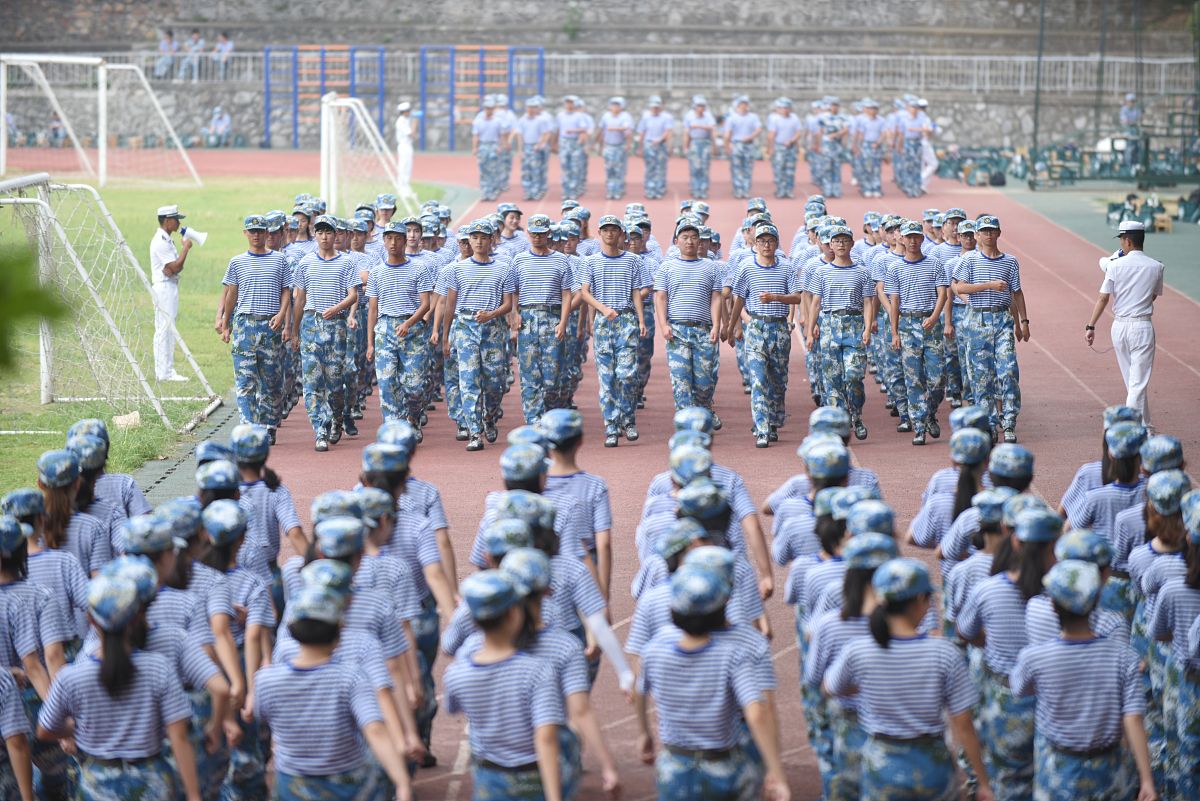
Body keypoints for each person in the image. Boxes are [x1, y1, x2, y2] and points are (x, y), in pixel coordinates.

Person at [826, 558, 994, 801]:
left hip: (882, 762)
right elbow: (963, 722)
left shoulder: (859, 651)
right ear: (919, 599)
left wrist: (867, 686)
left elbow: (830, 687)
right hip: (932, 763)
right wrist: (983, 781)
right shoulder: (944, 653)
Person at [37, 573, 203, 801]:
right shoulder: (158, 667)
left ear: (91, 620)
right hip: (152, 783)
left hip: (97, 786)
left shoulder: (71, 676)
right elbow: (179, 737)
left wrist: (79, 727)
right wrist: (194, 795)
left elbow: (45, 729)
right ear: (135, 617)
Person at [635, 564, 790, 801]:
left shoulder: (654, 649)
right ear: (722, 610)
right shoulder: (732, 654)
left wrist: (644, 733)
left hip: (674, 763)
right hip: (721, 763)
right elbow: (756, 711)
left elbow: (639, 689)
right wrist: (775, 771)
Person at [1012, 559, 1158, 801]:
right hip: (1110, 770)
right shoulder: (1124, 656)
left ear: (1053, 606)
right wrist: (1147, 780)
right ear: (1096, 600)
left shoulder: (1034, 657)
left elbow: (1019, 689)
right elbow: (1133, 717)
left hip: (1059, 770)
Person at [255, 584, 412, 801]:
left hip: (292, 784)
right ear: (339, 630)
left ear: (292, 628)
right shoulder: (351, 677)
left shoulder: (265, 680)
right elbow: (374, 728)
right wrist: (402, 782)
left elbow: (262, 719)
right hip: (346, 783)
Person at [443, 571, 566, 801]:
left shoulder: (456, 675)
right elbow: (546, 736)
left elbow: (452, 707)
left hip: (488, 775)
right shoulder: (538, 671)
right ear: (513, 613)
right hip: (532, 773)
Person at [436, 219, 514, 451]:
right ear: (469, 240)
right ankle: (474, 432)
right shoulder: (456, 269)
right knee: (468, 381)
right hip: (465, 327)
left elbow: (508, 304)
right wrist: (446, 336)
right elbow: (450, 305)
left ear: (491, 240)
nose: (479, 242)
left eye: (483, 237)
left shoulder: (503, 268)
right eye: (474, 237)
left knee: (494, 382)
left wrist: (491, 314)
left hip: (493, 328)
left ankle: (489, 416)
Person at [215, 215, 291, 442]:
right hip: (245, 326)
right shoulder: (237, 262)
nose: (256, 235)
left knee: (271, 381)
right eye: (252, 231)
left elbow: (286, 290)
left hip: (270, 326)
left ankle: (269, 424)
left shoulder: (279, 260)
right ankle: (248, 427)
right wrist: (226, 323)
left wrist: (281, 315)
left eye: (260, 231)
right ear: (245, 234)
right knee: (245, 380)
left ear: (267, 233)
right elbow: (231, 294)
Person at [953, 214, 1028, 443]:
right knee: (981, 376)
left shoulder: (1010, 261)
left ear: (998, 233)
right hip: (978, 320)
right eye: (984, 231)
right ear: (977, 235)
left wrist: (1023, 322)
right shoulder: (969, 260)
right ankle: (989, 422)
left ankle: (1009, 421)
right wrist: (989, 285)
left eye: (992, 230)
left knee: (1008, 371)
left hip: (1002, 319)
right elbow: (958, 288)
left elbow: (1017, 293)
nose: (988, 234)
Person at [1085, 220, 1164, 434]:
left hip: (1119, 327)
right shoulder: (1157, 267)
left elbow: (1103, 298)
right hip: (1142, 326)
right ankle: (1133, 430)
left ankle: (1145, 427)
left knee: (1133, 382)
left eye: (1121, 240)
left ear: (1127, 241)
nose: (1121, 244)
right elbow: (1153, 296)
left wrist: (1091, 325)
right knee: (1137, 383)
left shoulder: (1114, 265)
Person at [578, 216, 651, 447]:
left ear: (621, 234)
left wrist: (641, 320)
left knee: (627, 374)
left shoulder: (633, 260)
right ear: (600, 233)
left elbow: (637, 291)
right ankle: (611, 425)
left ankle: (628, 419)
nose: (610, 233)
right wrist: (600, 312)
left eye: (614, 230)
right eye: (605, 230)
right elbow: (585, 292)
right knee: (607, 377)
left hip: (626, 319)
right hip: (604, 321)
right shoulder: (590, 262)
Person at [291, 215, 361, 452]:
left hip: (335, 326)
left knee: (334, 382)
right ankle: (320, 430)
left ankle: (336, 418)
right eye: (320, 232)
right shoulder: (305, 263)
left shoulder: (346, 263)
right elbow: (300, 299)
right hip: (311, 324)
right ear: (315, 234)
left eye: (328, 232)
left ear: (335, 235)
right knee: (312, 382)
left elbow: (353, 295)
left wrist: (337, 308)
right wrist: (294, 331)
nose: (324, 237)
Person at [727, 223, 800, 448]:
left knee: (778, 381)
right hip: (757, 327)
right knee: (758, 379)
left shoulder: (787, 268)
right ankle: (761, 427)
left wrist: (777, 297)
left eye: (770, 241)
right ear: (755, 244)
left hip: (779, 328)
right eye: (762, 241)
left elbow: (797, 297)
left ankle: (774, 420)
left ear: (776, 243)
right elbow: (739, 299)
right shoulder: (746, 267)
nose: (766, 245)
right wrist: (732, 327)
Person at [807, 224, 875, 439]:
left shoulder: (862, 272)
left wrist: (867, 328)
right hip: (830, 324)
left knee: (854, 375)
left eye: (845, 240)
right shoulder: (821, 272)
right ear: (830, 245)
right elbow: (815, 303)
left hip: (854, 324)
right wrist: (810, 329)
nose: (841, 244)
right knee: (832, 379)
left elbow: (868, 302)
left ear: (852, 244)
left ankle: (856, 414)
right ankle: (841, 421)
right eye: (836, 241)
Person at [886, 220, 948, 446]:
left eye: (916, 236)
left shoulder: (934, 264)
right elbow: (894, 302)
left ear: (922, 238)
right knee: (913, 379)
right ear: (902, 239)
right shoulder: (895, 268)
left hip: (930, 324)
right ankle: (919, 426)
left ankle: (930, 412)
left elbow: (943, 294)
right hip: (907, 324)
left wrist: (935, 316)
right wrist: (894, 332)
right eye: (908, 237)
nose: (912, 241)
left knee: (938, 378)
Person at [367, 219, 432, 430]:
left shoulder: (419, 269)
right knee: (387, 383)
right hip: (385, 330)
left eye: (397, 238)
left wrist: (409, 323)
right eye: (389, 238)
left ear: (405, 241)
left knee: (414, 386)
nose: (393, 243)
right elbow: (373, 310)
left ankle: (413, 416)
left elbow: (425, 304)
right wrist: (370, 343)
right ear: (384, 241)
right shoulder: (376, 272)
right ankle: (393, 429)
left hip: (413, 330)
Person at [654, 219, 722, 417]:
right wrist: (663, 325)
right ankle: (686, 421)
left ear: (700, 241)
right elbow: (661, 297)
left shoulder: (711, 267)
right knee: (681, 380)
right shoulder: (667, 267)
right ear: (676, 241)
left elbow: (716, 298)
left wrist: (716, 325)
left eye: (693, 237)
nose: (690, 241)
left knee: (704, 382)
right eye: (685, 237)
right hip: (677, 331)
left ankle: (705, 410)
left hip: (703, 330)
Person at [512, 214, 571, 424]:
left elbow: (566, 294)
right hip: (527, 319)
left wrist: (563, 321)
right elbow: (513, 292)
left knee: (552, 378)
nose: (537, 237)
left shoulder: (561, 260)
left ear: (548, 234)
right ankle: (533, 421)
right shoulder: (519, 260)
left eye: (541, 233)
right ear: (528, 233)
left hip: (552, 317)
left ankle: (549, 415)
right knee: (529, 375)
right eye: (534, 233)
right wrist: (514, 314)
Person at [150, 204, 193, 382]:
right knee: (164, 329)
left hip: (168, 285)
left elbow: (172, 269)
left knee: (167, 328)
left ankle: (166, 370)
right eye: (176, 220)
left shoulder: (166, 239)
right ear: (167, 221)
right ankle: (164, 373)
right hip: (164, 288)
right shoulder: (160, 241)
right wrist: (185, 248)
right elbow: (174, 267)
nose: (178, 223)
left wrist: (173, 268)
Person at [514, 96, 552, 201]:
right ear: (526, 108)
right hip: (526, 146)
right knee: (526, 171)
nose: (531, 109)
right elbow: (520, 135)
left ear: (537, 109)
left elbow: (545, 134)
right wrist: (520, 149)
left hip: (536, 147)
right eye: (529, 107)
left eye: (534, 107)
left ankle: (536, 191)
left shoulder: (541, 120)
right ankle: (528, 192)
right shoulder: (522, 120)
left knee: (536, 170)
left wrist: (539, 145)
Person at [724, 95, 762, 199]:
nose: (744, 106)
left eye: (746, 104)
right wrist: (727, 146)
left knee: (747, 168)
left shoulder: (753, 117)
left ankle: (745, 190)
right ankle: (738, 190)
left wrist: (750, 137)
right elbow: (727, 133)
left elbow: (759, 129)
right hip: (737, 144)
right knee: (736, 169)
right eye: (742, 104)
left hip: (748, 144)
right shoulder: (732, 117)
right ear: (738, 105)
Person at [471, 97, 507, 202]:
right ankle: (485, 191)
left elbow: (501, 135)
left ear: (493, 109)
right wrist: (474, 147)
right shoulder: (478, 121)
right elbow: (476, 135)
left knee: (493, 170)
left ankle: (492, 192)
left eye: (490, 108)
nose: (488, 110)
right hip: (483, 145)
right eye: (487, 108)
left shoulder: (498, 121)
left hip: (493, 145)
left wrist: (501, 146)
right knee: (483, 169)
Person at [766, 97, 802, 199]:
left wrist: (792, 141)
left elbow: (798, 132)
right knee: (779, 169)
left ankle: (789, 190)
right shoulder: (774, 119)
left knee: (790, 170)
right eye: (782, 108)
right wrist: (770, 148)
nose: (785, 110)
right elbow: (771, 135)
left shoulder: (794, 118)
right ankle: (780, 190)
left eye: (787, 108)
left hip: (791, 146)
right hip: (779, 147)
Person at [637, 96, 673, 200]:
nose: (655, 109)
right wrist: (639, 147)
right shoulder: (645, 117)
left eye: (657, 107)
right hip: (649, 145)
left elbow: (668, 131)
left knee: (660, 168)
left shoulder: (666, 117)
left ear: (661, 107)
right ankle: (649, 190)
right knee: (650, 168)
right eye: (653, 107)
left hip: (661, 145)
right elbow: (642, 132)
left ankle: (659, 190)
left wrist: (666, 144)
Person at [598, 97, 634, 200]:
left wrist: (628, 144)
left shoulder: (625, 116)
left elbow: (627, 129)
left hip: (620, 146)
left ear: (622, 106)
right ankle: (610, 191)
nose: (615, 107)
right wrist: (600, 145)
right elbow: (601, 130)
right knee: (609, 169)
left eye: (617, 105)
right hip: (609, 145)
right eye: (613, 105)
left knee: (619, 170)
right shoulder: (606, 116)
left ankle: (618, 190)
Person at [683, 95, 716, 199]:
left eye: (703, 106)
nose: (701, 108)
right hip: (694, 142)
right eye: (699, 106)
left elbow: (712, 129)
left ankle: (703, 189)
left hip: (705, 142)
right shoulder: (689, 116)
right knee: (695, 167)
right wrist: (685, 146)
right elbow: (687, 132)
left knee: (704, 167)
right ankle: (695, 189)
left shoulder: (708, 116)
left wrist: (714, 145)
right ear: (695, 106)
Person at [557, 96, 589, 200]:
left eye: (571, 102)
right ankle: (566, 191)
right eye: (567, 102)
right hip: (564, 142)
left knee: (575, 167)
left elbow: (584, 129)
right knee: (565, 167)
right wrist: (555, 143)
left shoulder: (579, 116)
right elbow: (558, 129)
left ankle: (573, 191)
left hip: (574, 142)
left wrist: (573, 131)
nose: (569, 104)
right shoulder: (560, 115)